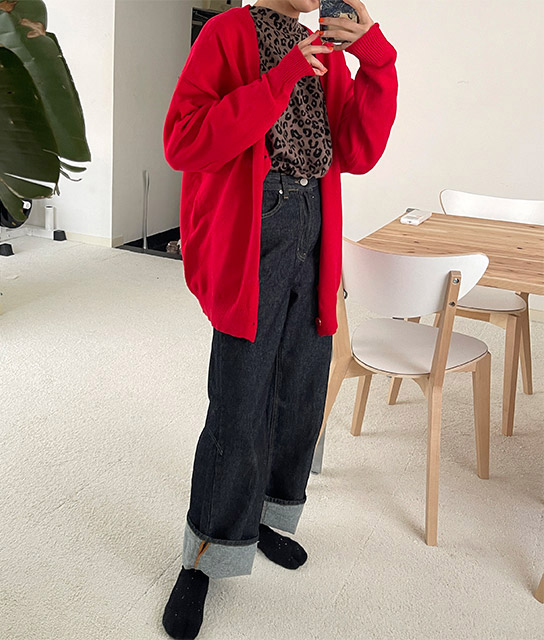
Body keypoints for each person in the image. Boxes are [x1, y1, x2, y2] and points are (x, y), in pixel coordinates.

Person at [161, 1, 398, 637]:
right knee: (239, 397)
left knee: (300, 391)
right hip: (254, 224)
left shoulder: (324, 47)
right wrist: (284, 75)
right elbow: (185, 140)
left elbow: (356, 151)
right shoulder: (227, 33)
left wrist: (374, 58)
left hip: (314, 222)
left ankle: (267, 517)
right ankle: (204, 556)